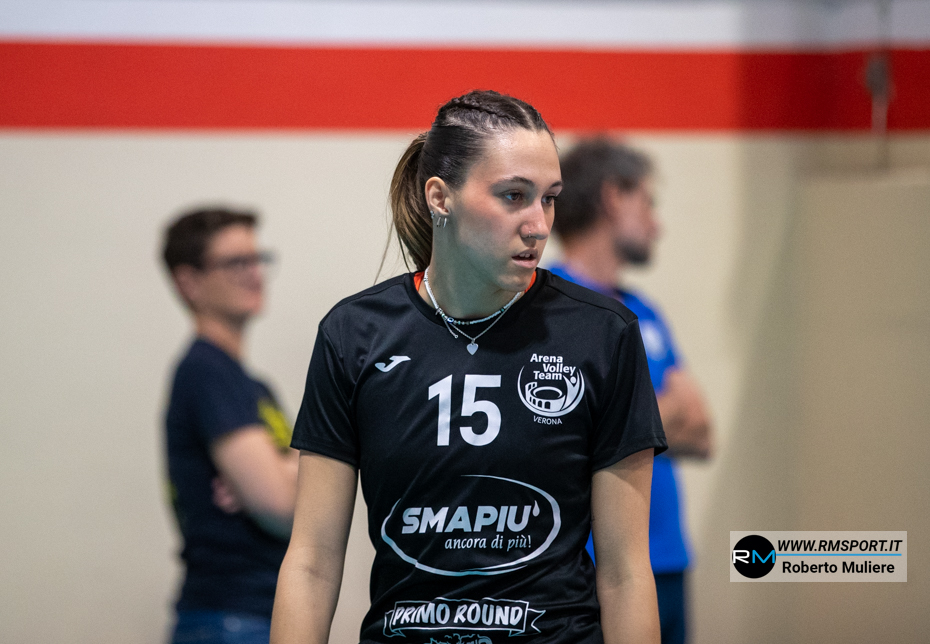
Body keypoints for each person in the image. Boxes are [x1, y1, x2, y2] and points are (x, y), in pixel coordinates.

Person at [271, 90, 667, 644]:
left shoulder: (603, 334)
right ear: (440, 197)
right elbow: (312, 562)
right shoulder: (353, 334)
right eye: (513, 196)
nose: (539, 224)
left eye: (549, 199)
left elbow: (625, 575)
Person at [549, 139, 713, 644]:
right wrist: (658, 415)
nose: (656, 225)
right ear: (613, 197)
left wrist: (609, 422)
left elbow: (701, 428)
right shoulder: (548, 305)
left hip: (667, 559)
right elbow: (554, 430)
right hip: (591, 569)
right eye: (647, 203)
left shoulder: (645, 311)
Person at [162, 207, 298, 643]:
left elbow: (289, 488)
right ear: (189, 282)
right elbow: (283, 507)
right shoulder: (207, 371)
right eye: (236, 262)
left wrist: (281, 469)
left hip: (256, 616)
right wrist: (287, 474)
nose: (255, 273)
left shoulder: (251, 385)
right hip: (230, 619)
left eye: (258, 259)